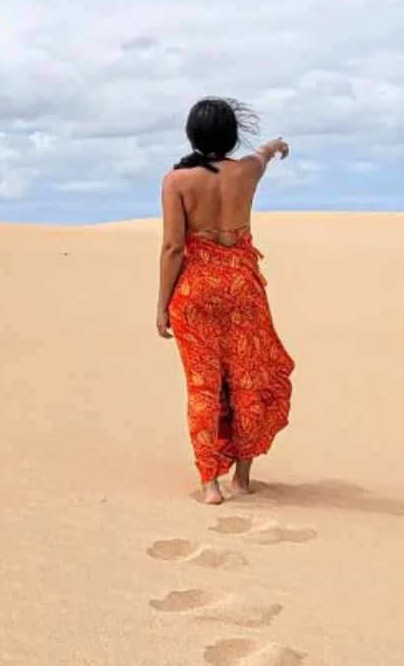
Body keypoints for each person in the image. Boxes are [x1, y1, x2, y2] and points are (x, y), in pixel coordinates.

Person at [155, 97, 295, 505]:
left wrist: (162, 304)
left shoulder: (176, 181)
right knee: (247, 381)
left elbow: (172, 248)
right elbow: (262, 156)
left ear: (191, 135)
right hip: (241, 289)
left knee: (204, 386)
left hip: (195, 291)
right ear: (232, 135)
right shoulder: (248, 171)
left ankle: (210, 485)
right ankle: (242, 479)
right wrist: (274, 146)